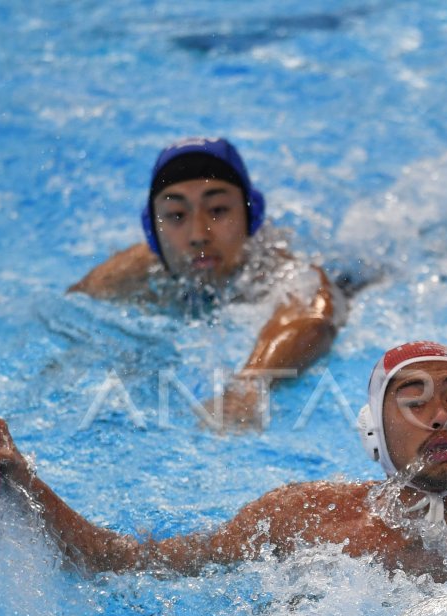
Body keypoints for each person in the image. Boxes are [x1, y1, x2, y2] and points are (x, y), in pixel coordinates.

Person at [0, 341, 447, 580]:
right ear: (374, 437)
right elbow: (130, 563)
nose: (442, 416)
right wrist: (27, 483)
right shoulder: (302, 515)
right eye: (413, 401)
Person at [68, 137, 342, 429]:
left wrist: (249, 385)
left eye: (218, 210)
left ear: (252, 214)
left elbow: (311, 319)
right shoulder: (126, 275)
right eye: (176, 215)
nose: (199, 234)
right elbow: (67, 317)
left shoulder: (275, 267)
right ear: (152, 230)